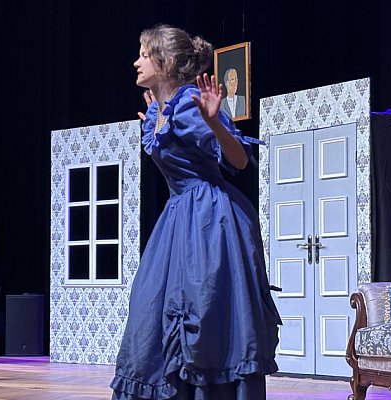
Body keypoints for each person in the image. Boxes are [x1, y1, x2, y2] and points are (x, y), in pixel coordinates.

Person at [110, 25, 281, 399]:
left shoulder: (189, 103)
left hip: (209, 221)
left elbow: (238, 160)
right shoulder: (161, 108)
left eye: (144, 54)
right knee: (152, 311)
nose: (136, 61)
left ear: (166, 62)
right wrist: (156, 116)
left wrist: (214, 122)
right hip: (179, 217)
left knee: (202, 313)